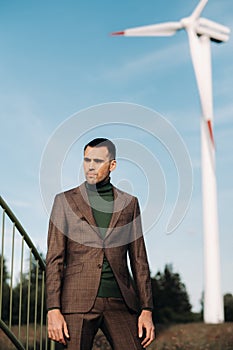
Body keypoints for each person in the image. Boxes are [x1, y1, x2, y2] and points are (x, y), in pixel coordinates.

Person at [46, 138, 155, 349]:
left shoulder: (129, 204)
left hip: (120, 302)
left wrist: (147, 309)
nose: (91, 166)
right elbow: (54, 259)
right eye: (87, 160)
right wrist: (53, 309)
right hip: (76, 302)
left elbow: (139, 260)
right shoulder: (64, 201)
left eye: (98, 160)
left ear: (112, 165)